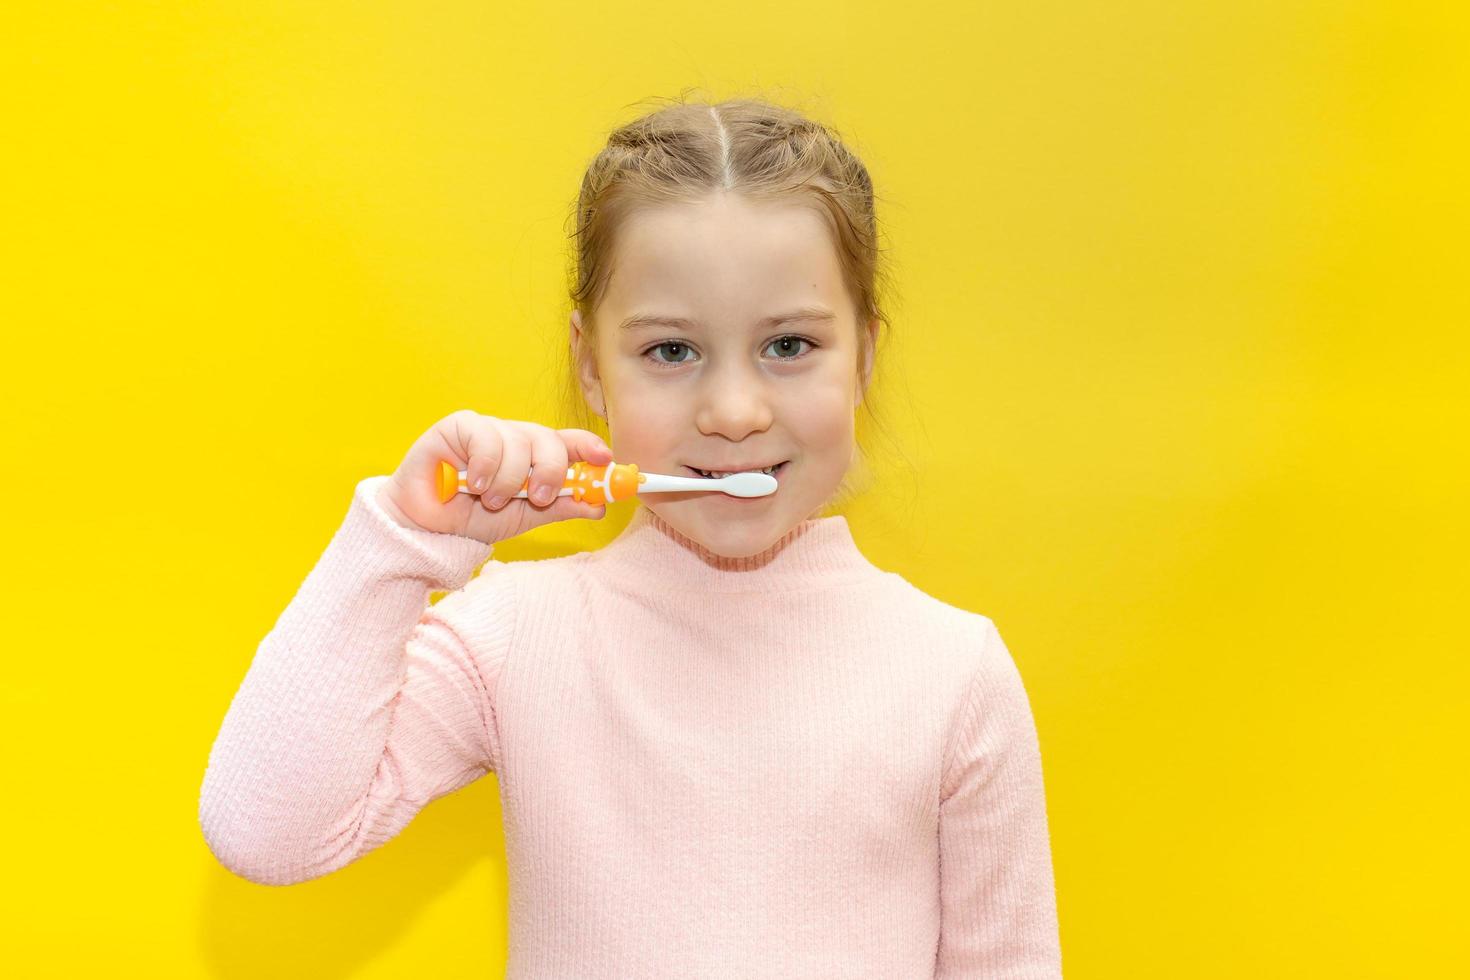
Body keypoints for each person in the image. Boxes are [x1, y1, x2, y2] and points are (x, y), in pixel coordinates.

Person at [199, 95, 1062, 978]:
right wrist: (404, 539)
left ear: (867, 358)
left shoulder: (954, 670)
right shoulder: (516, 635)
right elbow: (266, 831)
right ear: (590, 365)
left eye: (791, 344)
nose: (734, 413)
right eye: (672, 352)